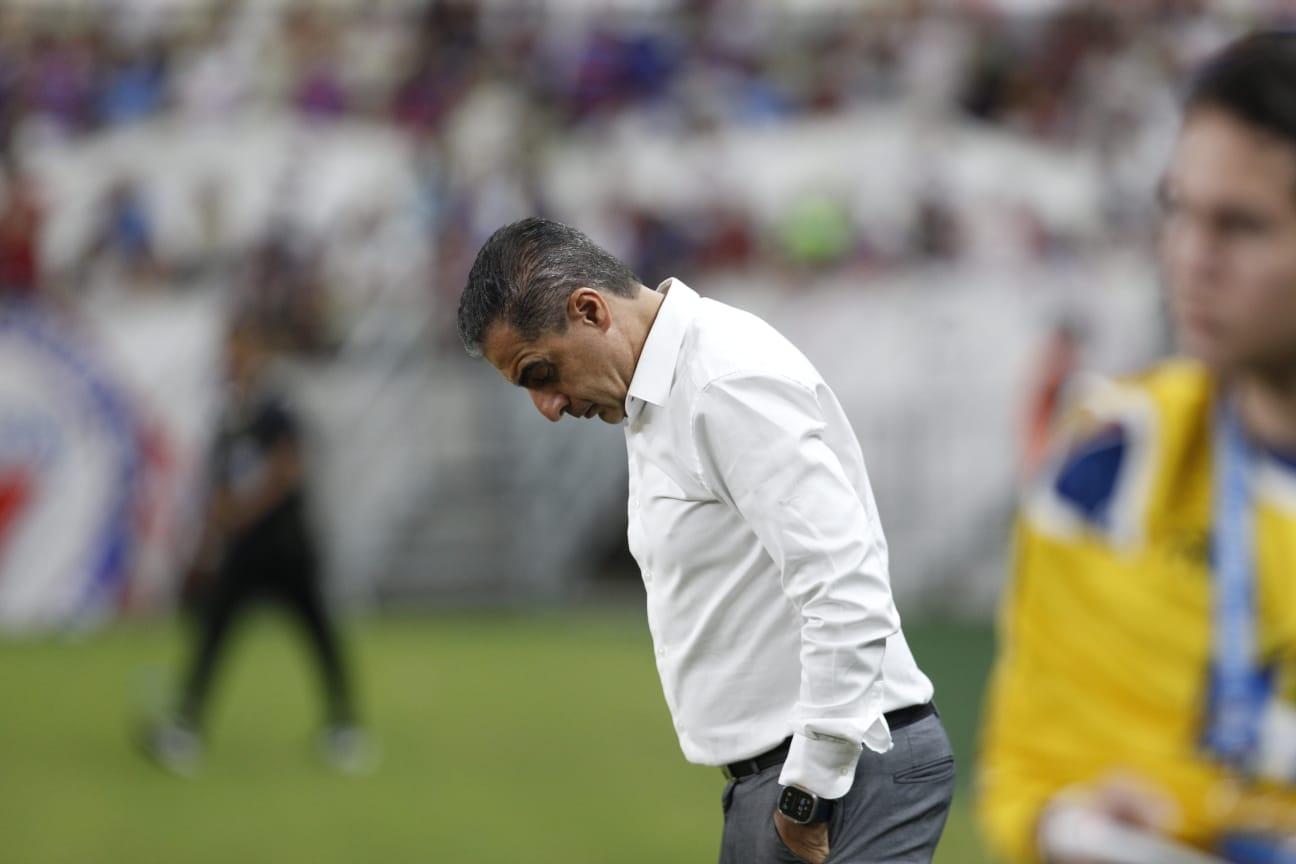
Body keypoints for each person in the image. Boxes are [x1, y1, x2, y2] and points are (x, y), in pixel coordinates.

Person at [457, 218, 954, 863]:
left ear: (589, 310)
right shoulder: (666, 386)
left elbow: (844, 582)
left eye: (540, 372)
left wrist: (809, 790)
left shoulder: (721, 381)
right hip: (795, 777)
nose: (546, 406)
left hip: (845, 776)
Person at [978, 32, 1296, 864]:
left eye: (1242, 225)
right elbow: (1024, 771)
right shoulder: (1111, 462)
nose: (1190, 257)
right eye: (1178, 209)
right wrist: (1077, 826)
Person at [141, 315, 370, 776]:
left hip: (286, 547)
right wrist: (211, 535)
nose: (231, 359)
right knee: (214, 633)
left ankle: (345, 728)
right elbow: (218, 487)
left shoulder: (276, 408)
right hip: (244, 552)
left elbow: (289, 471)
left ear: (258, 353)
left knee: (318, 634)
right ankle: (186, 726)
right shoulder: (230, 416)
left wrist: (239, 514)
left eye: (239, 349)